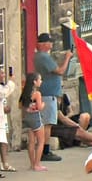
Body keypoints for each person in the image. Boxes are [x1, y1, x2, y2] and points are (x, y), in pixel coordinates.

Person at [34, 32, 72, 162]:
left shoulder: (40, 57)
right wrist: (67, 58)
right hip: (48, 94)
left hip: (48, 94)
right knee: (48, 124)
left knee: (47, 123)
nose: (51, 44)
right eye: (49, 42)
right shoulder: (43, 57)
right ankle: (45, 150)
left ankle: (43, 149)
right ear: (43, 44)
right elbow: (60, 71)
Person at [20, 72, 46, 171]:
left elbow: (21, 106)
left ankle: (32, 164)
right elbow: (39, 107)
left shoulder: (24, 92)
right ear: (35, 82)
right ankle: (37, 164)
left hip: (27, 117)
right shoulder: (37, 94)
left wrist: (29, 108)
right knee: (40, 141)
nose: (41, 81)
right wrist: (43, 104)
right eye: (39, 80)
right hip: (35, 117)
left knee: (31, 142)